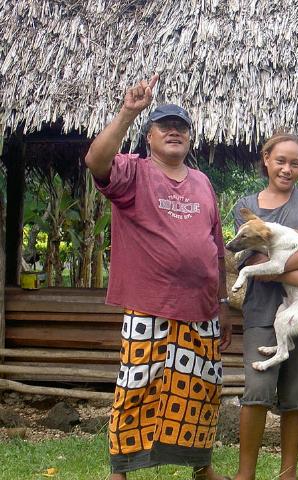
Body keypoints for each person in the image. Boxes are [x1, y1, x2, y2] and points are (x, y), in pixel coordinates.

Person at [85, 75, 232, 480]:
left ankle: (201, 467)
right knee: (137, 387)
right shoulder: (133, 172)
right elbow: (96, 162)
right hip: (150, 303)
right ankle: (121, 470)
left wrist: (222, 305)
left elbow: (216, 249)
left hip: (201, 309)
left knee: (200, 390)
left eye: (181, 127)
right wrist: (128, 112)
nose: (174, 132)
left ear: (190, 138)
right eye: (164, 126)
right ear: (148, 137)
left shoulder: (203, 183)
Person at [232, 133, 298, 480]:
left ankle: (287, 474)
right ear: (266, 159)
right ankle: (246, 474)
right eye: (280, 161)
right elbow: (254, 260)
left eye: (295, 163)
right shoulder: (247, 205)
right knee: (257, 392)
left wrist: (284, 268)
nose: (287, 169)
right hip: (263, 312)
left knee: (296, 397)